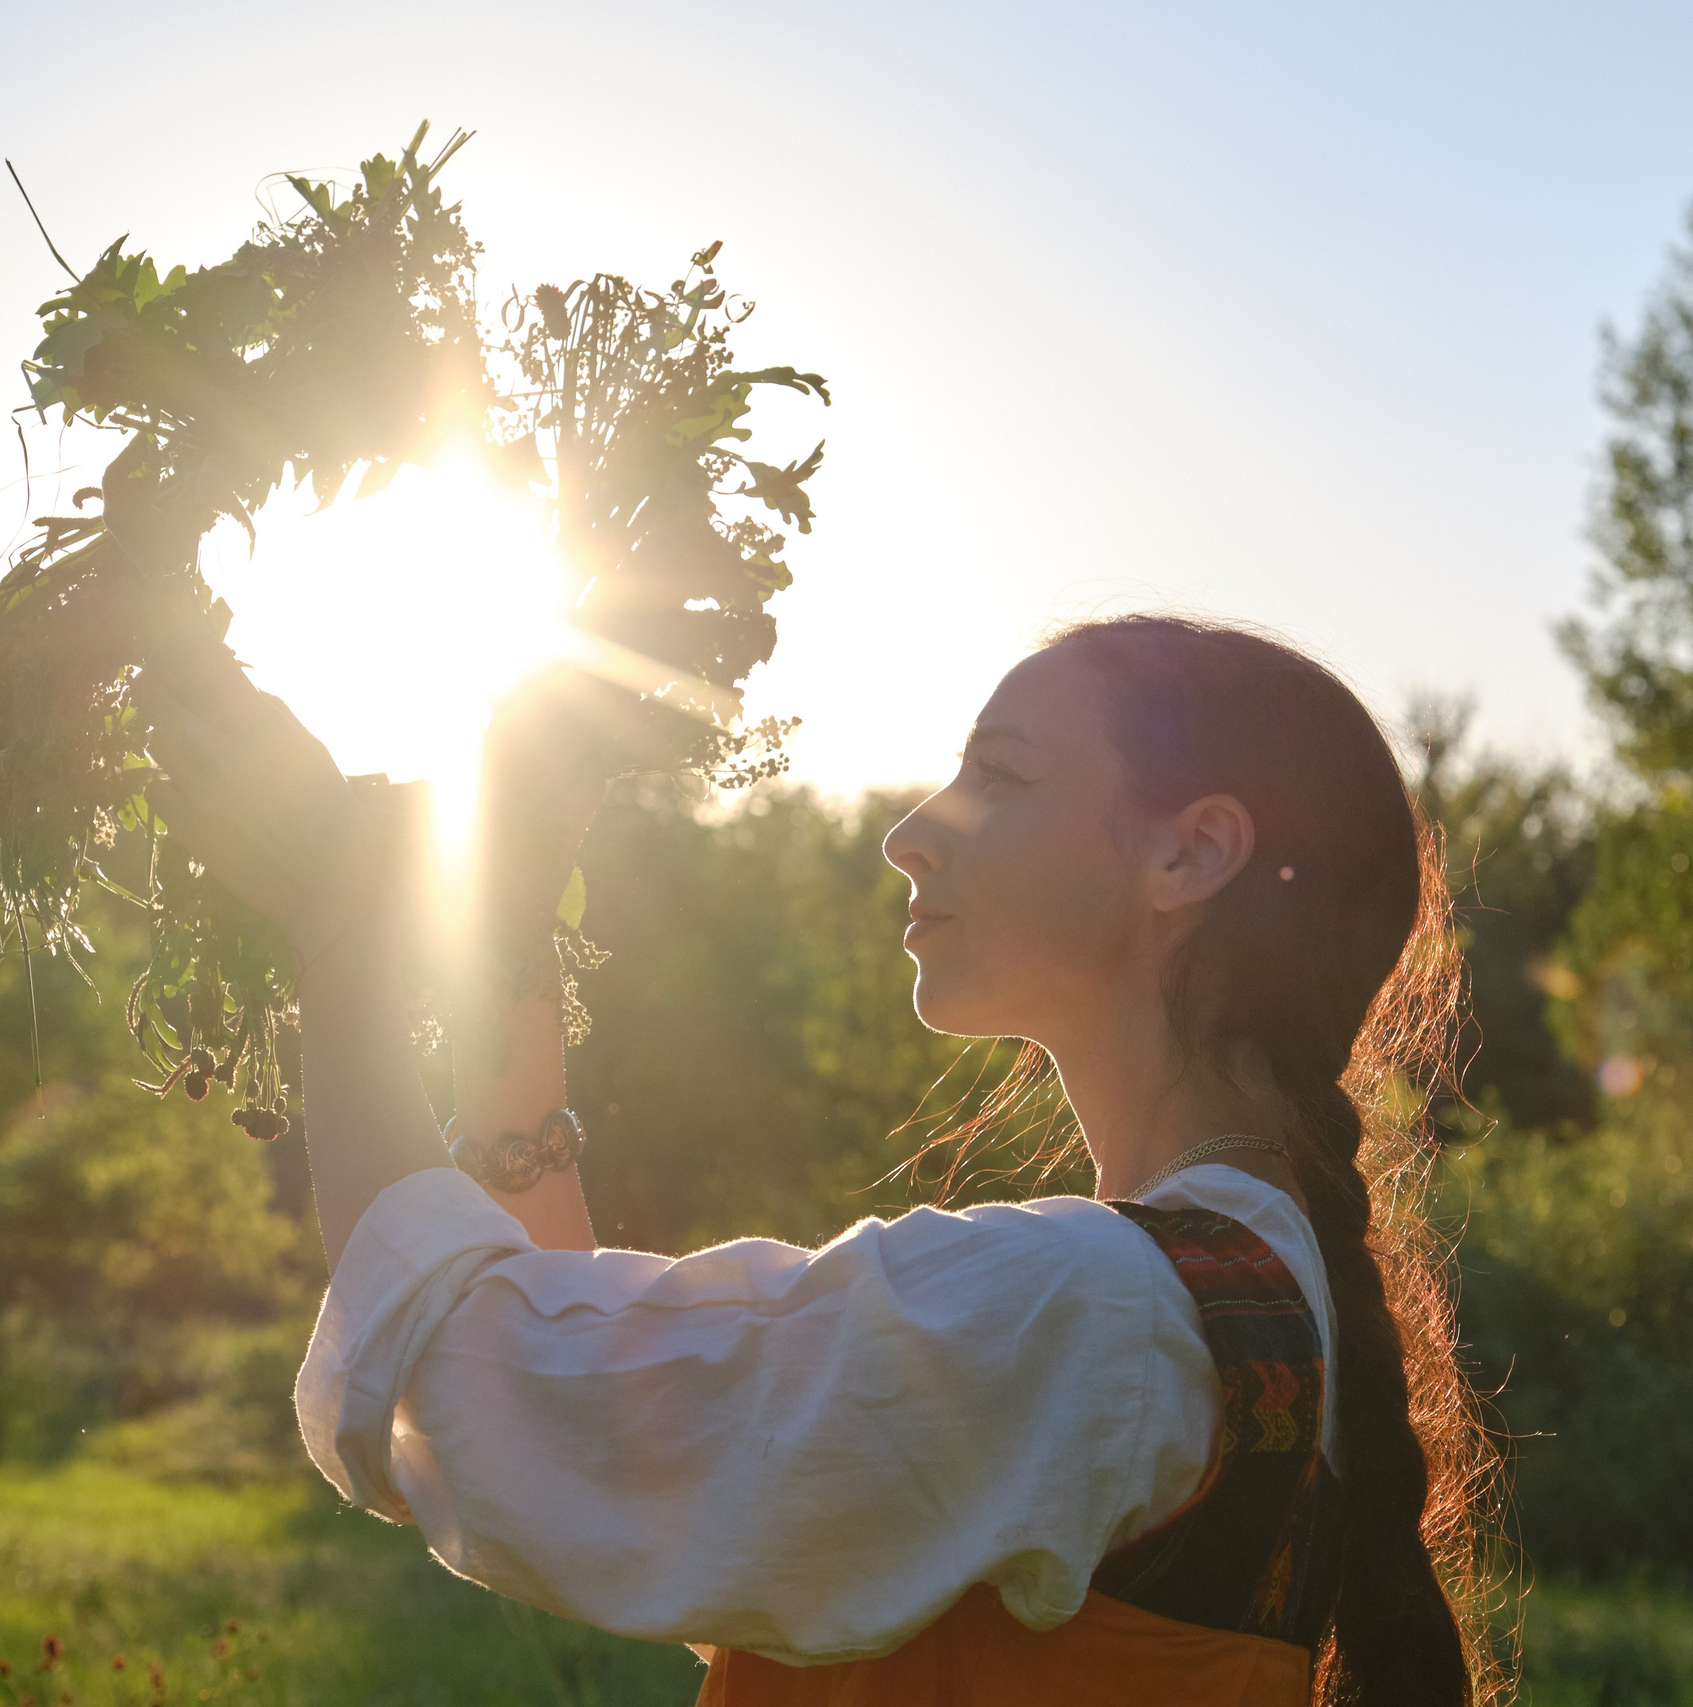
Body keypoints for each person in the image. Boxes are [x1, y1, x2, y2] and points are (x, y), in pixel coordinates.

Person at [148, 614, 1493, 1705]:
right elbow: (649, 1449)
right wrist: (511, 944)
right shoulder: (1203, 1298)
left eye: (1002, 775)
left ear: (1190, 852)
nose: (913, 831)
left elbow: (483, 1383)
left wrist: (339, 936)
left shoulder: (1093, 1312)